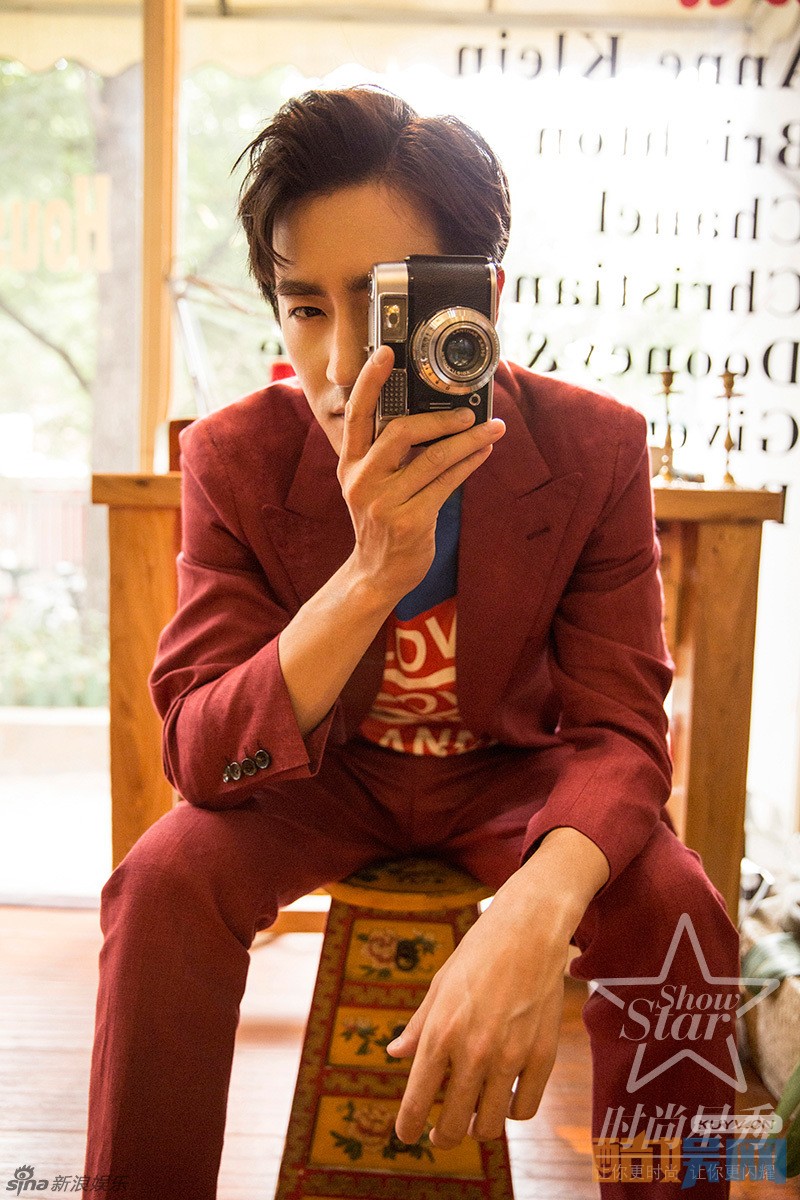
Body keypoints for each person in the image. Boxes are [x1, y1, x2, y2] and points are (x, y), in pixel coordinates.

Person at [84, 87, 741, 1198]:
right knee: (159, 886)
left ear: (477, 299)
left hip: (515, 779)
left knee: (678, 910)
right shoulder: (236, 457)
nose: (343, 360)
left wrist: (536, 908)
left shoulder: (592, 448)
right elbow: (201, 751)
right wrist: (371, 573)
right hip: (322, 777)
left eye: (384, 303)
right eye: (303, 307)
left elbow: (623, 732)